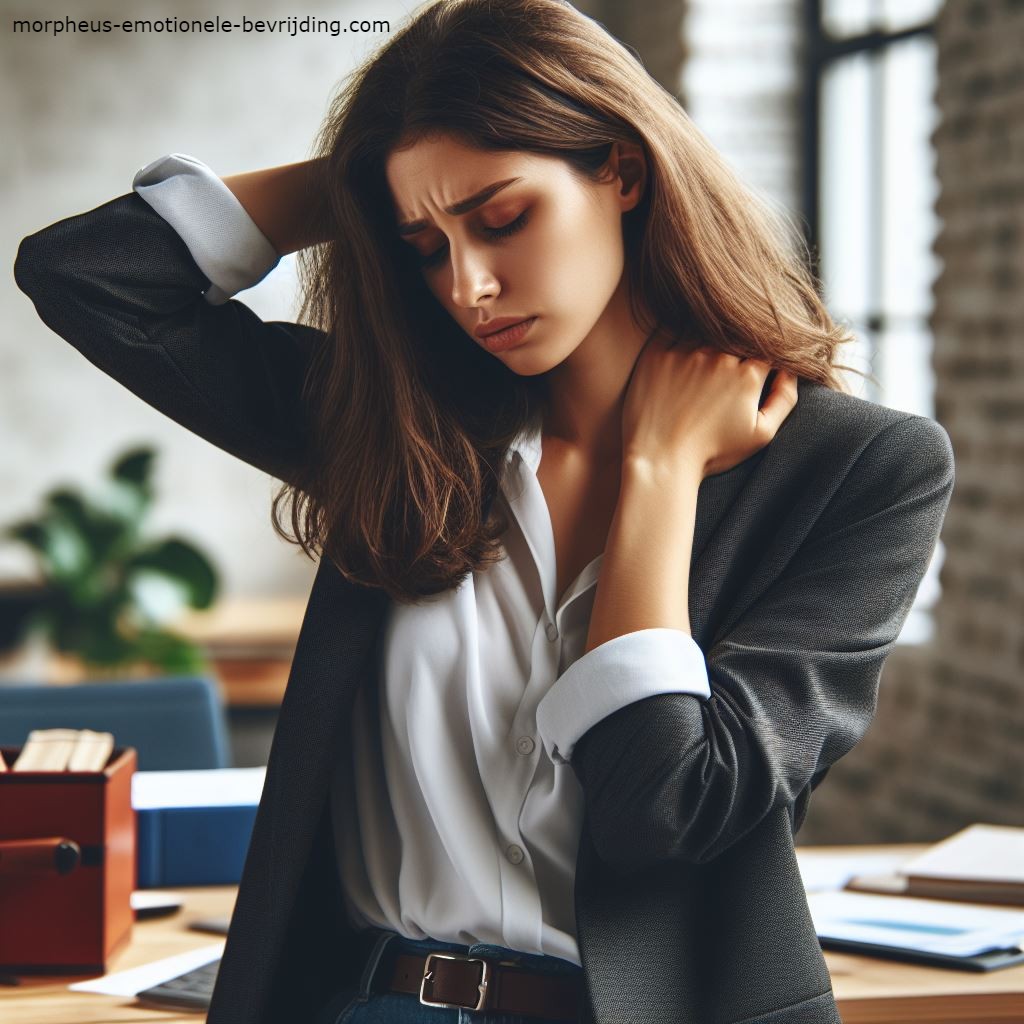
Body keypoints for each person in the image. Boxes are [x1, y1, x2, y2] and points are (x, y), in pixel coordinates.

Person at [12, 1, 955, 1021]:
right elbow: (88, 278)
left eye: (502, 217)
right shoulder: (392, 428)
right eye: (423, 244)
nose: (469, 283)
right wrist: (367, 178)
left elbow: (666, 806)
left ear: (623, 169)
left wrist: (657, 473)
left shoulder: (861, 469)